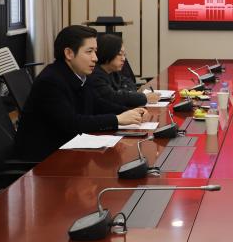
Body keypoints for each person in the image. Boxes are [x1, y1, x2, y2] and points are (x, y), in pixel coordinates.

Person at [13, 25, 147, 163]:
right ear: (69, 53)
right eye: (89, 52)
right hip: (42, 161)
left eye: (95, 51)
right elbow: (72, 123)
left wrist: (128, 112)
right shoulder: (50, 80)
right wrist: (117, 119)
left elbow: (97, 103)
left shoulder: (79, 75)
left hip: (67, 151)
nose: (95, 58)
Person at [90, 33, 158, 113]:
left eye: (124, 55)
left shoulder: (112, 71)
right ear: (107, 52)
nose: (123, 59)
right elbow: (114, 97)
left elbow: (129, 83)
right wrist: (144, 98)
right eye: (120, 54)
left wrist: (126, 95)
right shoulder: (95, 75)